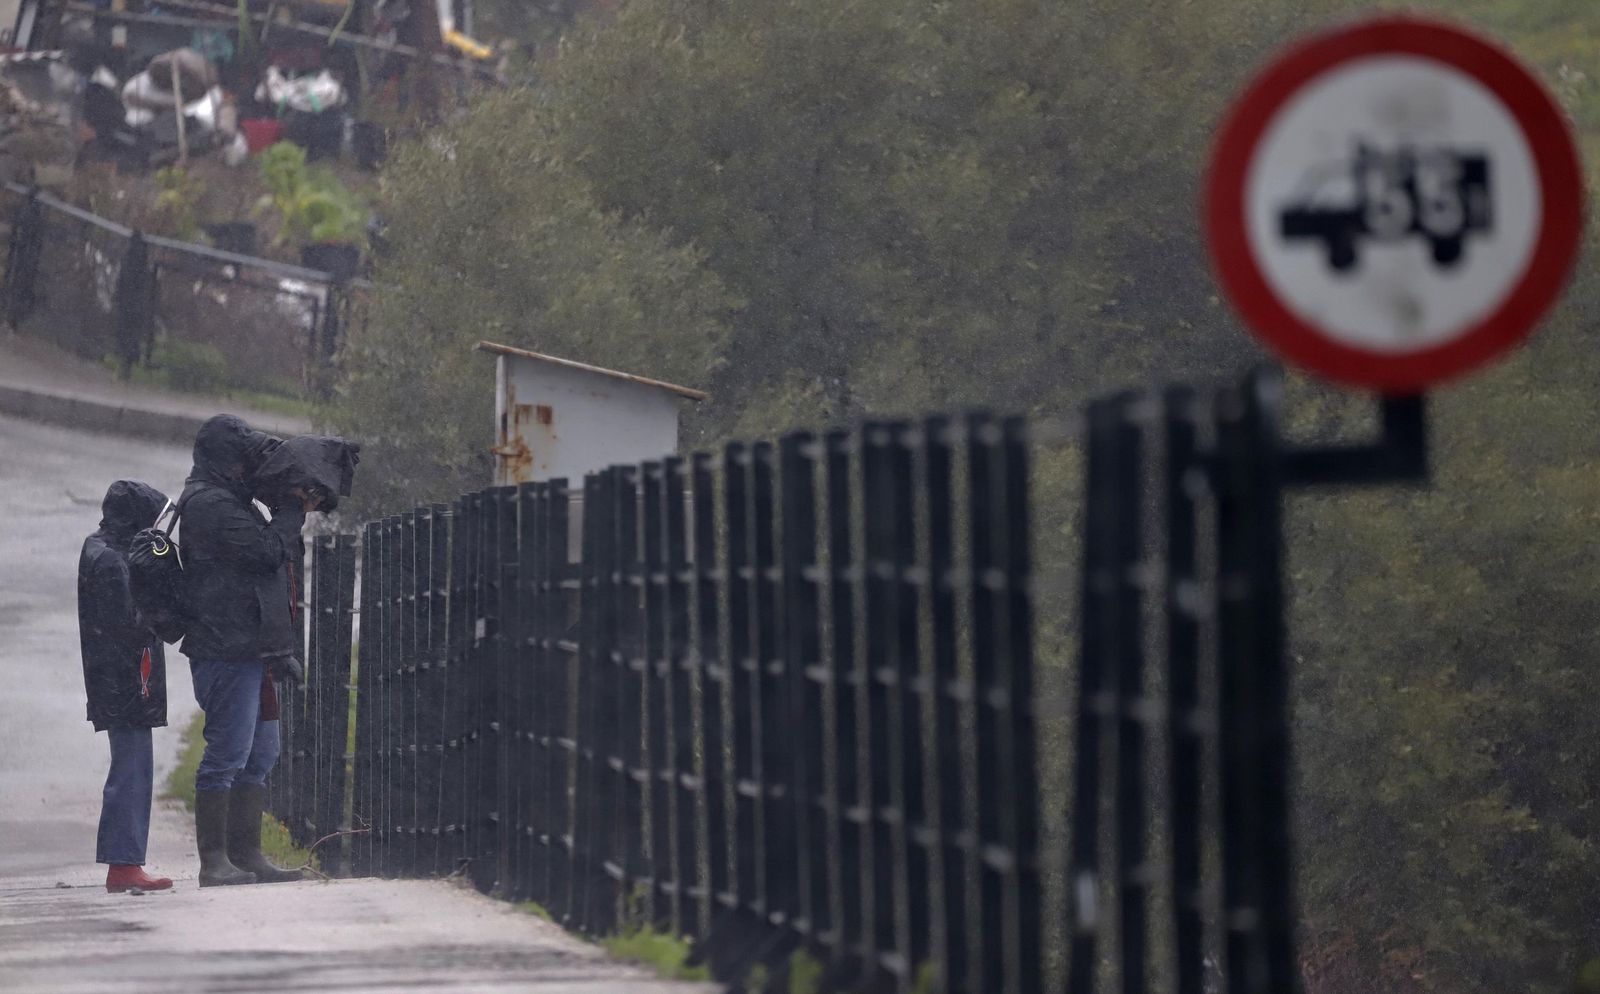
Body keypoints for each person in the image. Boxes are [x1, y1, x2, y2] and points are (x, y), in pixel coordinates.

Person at [178, 414, 318, 887]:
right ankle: (214, 861)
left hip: (251, 649)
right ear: (225, 461)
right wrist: (291, 511)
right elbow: (263, 553)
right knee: (228, 753)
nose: (249, 468)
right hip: (225, 647)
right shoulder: (209, 504)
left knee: (262, 752)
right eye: (243, 460)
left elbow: (272, 559)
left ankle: (247, 854)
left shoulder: (229, 499)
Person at [77, 480, 174, 894]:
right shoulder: (115, 561)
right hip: (129, 682)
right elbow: (132, 626)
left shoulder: (99, 549)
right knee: (132, 771)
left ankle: (126, 859)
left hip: (116, 680)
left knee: (130, 768)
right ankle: (124, 863)